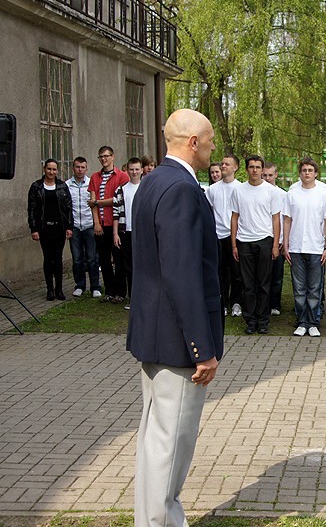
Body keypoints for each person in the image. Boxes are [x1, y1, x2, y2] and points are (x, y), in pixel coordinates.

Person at [126, 108, 223, 525]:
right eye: (211, 139)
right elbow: (181, 273)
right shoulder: (182, 188)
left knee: (155, 440)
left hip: (155, 332)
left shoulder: (153, 181)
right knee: (171, 444)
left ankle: (151, 520)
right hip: (178, 342)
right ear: (193, 142)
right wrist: (201, 349)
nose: (215, 147)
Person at [230, 155, 282, 334]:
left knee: (263, 283)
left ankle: (263, 321)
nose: (254, 170)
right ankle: (250, 320)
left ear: (262, 169)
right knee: (248, 284)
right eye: (251, 167)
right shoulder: (238, 190)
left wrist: (276, 244)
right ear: (246, 169)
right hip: (244, 241)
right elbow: (234, 218)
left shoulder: (271, 191)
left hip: (265, 240)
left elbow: (276, 219)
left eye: (258, 167)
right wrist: (234, 244)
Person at [283, 157, 326, 337]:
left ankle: (313, 322)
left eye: (310, 170)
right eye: (304, 170)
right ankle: (302, 321)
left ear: (316, 173)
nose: (307, 173)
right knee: (299, 288)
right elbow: (287, 220)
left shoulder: (323, 194)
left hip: (316, 247)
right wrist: (286, 245)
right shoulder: (292, 194)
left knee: (314, 288)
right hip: (296, 247)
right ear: (300, 173)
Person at [27, 159, 73, 301]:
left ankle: (59, 289)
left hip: (59, 228)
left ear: (57, 171)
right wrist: (34, 228)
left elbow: (68, 207)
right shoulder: (36, 187)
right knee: (48, 258)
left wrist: (69, 226)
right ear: (44, 169)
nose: (51, 172)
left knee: (58, 259)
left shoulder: (62, 186)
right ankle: (49, 289)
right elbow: (32, 209)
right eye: (49, 169)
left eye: (54, 169)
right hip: (44, 228)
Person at [88, 146, 129, 303]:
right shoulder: (95, 177)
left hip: (116, 224)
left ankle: (120, 291)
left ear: (113, 157)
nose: (104, 159)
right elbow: (92, 203)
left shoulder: (122, 176)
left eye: (106, 156)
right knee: (103, 260)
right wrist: (96, 222)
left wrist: (98, 202)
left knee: (118, 259)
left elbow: (117, 200)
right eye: (101, 157)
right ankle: (109, 291)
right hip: (101, 224)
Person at [206, 154, 243, 318]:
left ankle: (236, 302)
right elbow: (209, 212)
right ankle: (223, 302)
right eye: (222, 163)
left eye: (227, 164)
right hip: (218, 235)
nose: (223, 166)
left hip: (236, 236)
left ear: (235, 167)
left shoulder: (241, 188)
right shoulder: (212, 190)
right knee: (220, 272)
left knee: (236, 272)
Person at [66, 157, 101, 298]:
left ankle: (95, 287)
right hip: (74, 226)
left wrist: (96, 222)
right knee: (77, 258)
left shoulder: (91, 184)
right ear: (73, 168)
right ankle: (80, 285)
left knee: (92, 258)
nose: (80, 170)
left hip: (89, 224)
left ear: (86, 169)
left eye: (82, 167)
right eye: (77, 167)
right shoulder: (67, 185)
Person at [112, 158, 143, 310]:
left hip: (143, 233)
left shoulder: (146, 188)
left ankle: (144, 297)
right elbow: (116, 213)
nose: (134, 172)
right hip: (126, 232)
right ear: (127, 170)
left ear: (142, 170)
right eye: (131, 169)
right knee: (129, 266)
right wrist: (115, 233)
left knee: (143, 266)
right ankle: (133, 298)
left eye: (137, 169)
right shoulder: (121, 190)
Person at [263, 162, 287, 317]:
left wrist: (283, 241)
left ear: (276, 175)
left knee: (277, 275)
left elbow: (285, 219)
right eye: (264, 175)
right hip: (263, 238)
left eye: (270, 175)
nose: (267, 178)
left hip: (278, 240)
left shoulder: (283, 195)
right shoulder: (259, 192)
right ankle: (263, 304)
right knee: (263, 275)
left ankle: (275, 304)